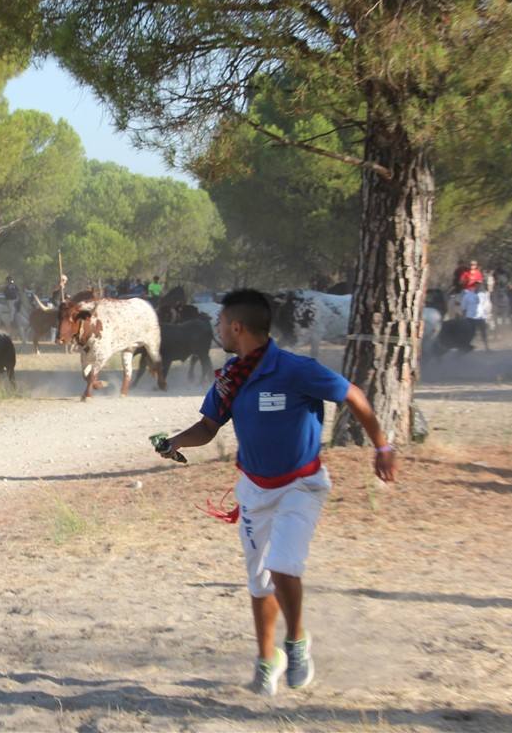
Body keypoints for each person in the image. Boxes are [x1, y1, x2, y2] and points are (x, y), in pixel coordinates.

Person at [157, 289, 397, 696]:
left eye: (221, 325)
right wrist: (175, 442)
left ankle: (297, 641)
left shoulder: (295, 369)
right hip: (254, 490)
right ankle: (268, 660)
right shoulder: (231, 378)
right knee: (259, 581)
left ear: (236, 327)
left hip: (301, 486)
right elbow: (209, 426)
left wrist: (383, 446)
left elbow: (353, 395)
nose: (217, 331)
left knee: (284, 565)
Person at [461, 284, 489, 349]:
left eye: (479, 287)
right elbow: (464, 307)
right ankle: (465, 346)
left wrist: (486, 314)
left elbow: (486, 306)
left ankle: (487, 347)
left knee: (484, 332)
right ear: (472, 287)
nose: (477, 288)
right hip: (471, 317)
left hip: (481, 317)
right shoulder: (467, 296)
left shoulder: (483, 295)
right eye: (475, 287)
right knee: (470, 333)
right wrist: (463, 317)